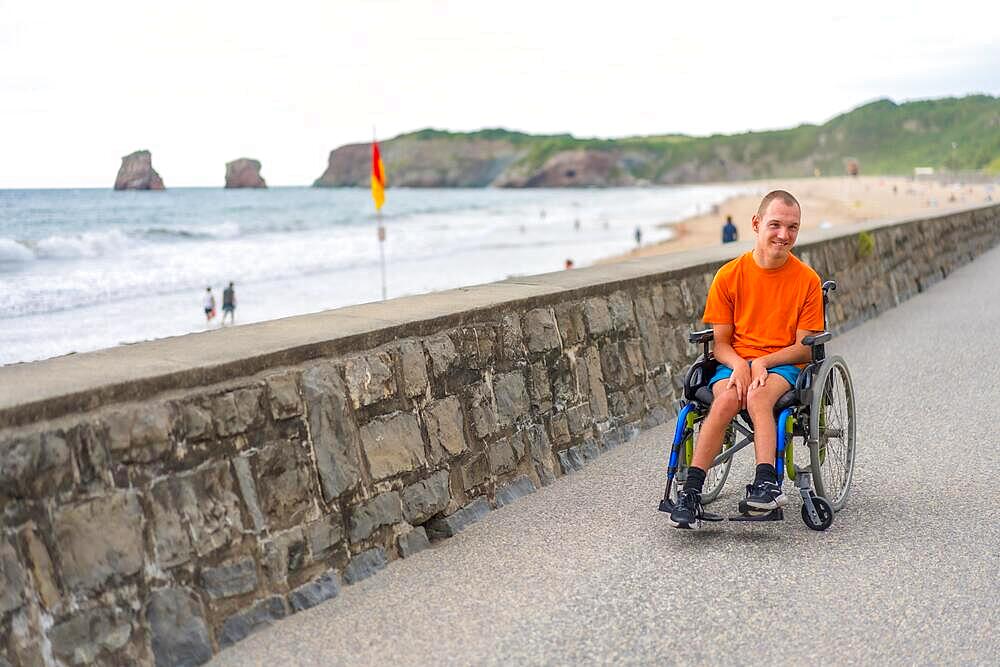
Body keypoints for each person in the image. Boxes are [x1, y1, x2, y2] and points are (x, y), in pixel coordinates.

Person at [670, 190, 824, 530]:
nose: (784, 235)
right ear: (756, 224)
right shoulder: (729, 276)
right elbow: (721, 342)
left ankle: (766, 484)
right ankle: (691, 492)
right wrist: (741, 364)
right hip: (735, 361)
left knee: (757, 396)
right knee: (726, 399)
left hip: (784, 363)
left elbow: (804, 348)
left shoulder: (807, 281)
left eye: (792, 227)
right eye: (775, 225)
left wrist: (763, 363)